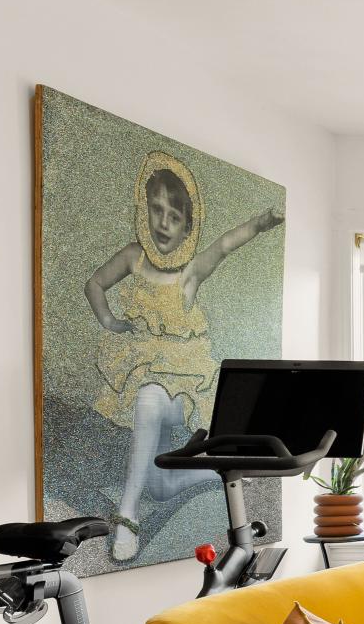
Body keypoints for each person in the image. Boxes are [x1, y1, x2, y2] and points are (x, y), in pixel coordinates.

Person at [83, 151, 282, 561]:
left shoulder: (190, 271)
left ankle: (127, 516)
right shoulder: (133, 257)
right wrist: (110, 322)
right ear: (145, 211)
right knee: (159, 483)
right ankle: (211, 474)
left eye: (174, 216)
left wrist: (263, 223)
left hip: (183, 385)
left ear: (188, 226)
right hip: (143, 371)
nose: (163, 223)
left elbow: (226, 244)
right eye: (156, 210)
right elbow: (94, 284)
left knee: (151, 397)